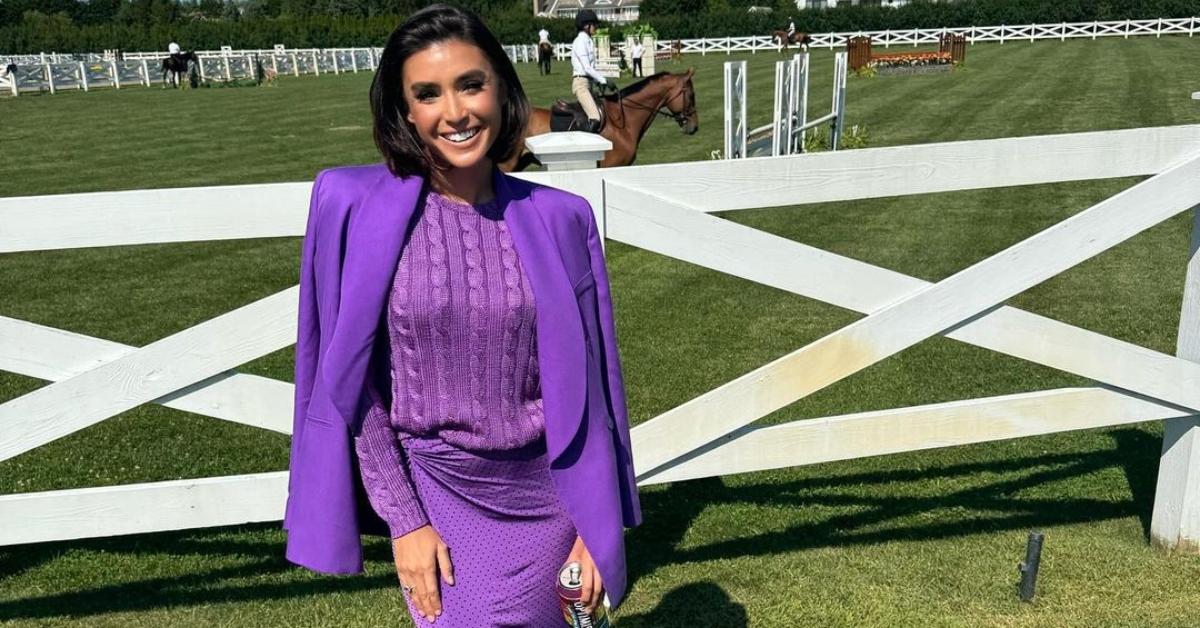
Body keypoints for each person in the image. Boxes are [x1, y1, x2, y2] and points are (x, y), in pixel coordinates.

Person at [282, 4, 642, 627]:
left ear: (500, 89)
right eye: (428, 94)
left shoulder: (563, 220)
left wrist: (595, 520)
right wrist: (404, 518)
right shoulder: (352, 208)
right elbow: (349, 384)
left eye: (470, 84)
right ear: (405, 111)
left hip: (550, 494)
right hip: (438, 489)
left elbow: (596, 388)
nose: (454, 113)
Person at [570, 9, 607, 133]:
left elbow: (592, 67)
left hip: (589, 83)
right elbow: (587, 67)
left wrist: (597, 82)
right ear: (586, 25)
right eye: (594, 25)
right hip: (581, 84)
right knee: (595, 117)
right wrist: (603, 80)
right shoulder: (580, 41)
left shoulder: (588, 41)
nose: (595, 27)